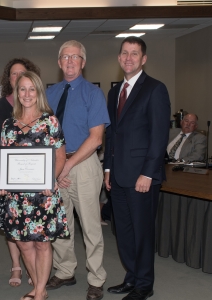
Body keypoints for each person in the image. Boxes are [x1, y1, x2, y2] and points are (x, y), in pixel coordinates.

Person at [104, 36, 171, 300]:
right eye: (124, 53)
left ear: (143, 59)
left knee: (142, 233)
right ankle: (131, 278)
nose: (128, 58)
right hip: (118, 177)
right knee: (124, 232)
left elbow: (158, 136)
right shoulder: (114, 92)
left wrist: (148, 173)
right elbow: (112, 135)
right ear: (119, 58)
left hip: (142, 177)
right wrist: (107, 169)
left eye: (134, 54)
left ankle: (144, 285)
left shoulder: (155, 89)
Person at [46, 40, 110, 300]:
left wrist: (67, 165)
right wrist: (54, 169)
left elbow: (96, 138)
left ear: (83, 63)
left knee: (90, 226)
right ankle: (64, 271)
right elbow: (44, 134)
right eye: (65, 57)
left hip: (83, 165)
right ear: (59, 62)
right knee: (62, 224)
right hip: (57, 165)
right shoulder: (50, 93)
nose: (70, 61)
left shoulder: (93, 94)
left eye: (75, 57)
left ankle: (96, 278)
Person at [0, 71, 69, 300]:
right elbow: (5, 159)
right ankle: (41, 287)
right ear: (16, 93)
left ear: (38, 93)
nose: (27, 94)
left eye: (31, 89)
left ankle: (39, 292)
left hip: (43, 195)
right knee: (24, 244)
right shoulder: (8, 124)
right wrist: (2, 179)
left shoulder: (50, 121)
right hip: (16, 198)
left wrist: (51, 179)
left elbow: (60, 157)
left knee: (42, 244)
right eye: (22, 89)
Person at [0, 57, 41, 287]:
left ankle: (34, 269)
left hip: (36, 176)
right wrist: (10, 171)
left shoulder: (42, 109)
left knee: (34, 222)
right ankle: (16, 266)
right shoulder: (1, 107)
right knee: (13, 223)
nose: (18, 77)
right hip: (10, 174)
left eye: (22, 73)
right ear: (9, 80)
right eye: (13, 74)